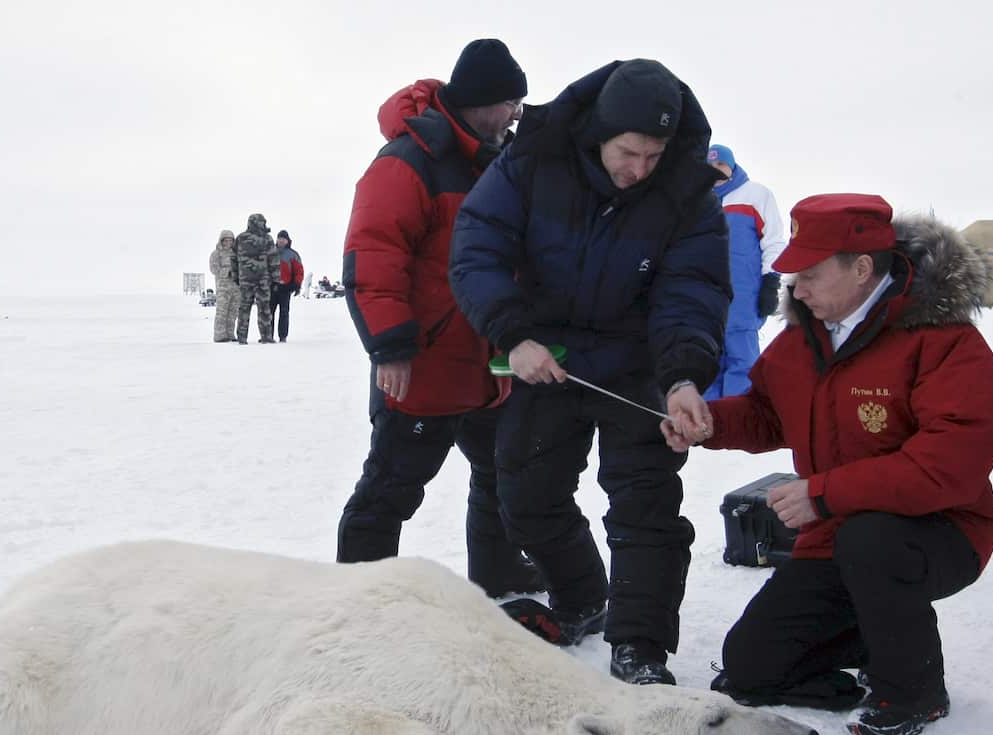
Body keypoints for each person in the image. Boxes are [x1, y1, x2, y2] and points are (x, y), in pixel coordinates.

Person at [662, 193, 993, 735]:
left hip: (941, 534)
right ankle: (873, 634)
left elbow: (949, 463)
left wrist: (824, 493)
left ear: (861, 269)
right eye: (792, 275)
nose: (796, 289)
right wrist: (709, 422)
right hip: (837, 532)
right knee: (750, 668)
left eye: (809, 274)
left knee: (872, 541)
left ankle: (913, 691)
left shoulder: (941, 340)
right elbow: (765, 413)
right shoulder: (802, 337)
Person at [449, 59, 731, 683]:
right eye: (630, 151)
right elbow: (477, 248)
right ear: (600, 133)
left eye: (654, 155)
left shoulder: (686, 190)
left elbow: (692, 292)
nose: (640, 169)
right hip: (551, 357)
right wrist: (513, 335)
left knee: (645, 509)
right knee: (523, 492)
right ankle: (581, 598)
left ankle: (640, 647)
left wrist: (683, 377)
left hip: (641, 362)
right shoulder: (533, 159)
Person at [337, 38, 542, 599]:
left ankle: (497, 572)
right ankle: (359, 595)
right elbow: (373, 257)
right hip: (423, 363)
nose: (518, 114)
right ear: (483, 101)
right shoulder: (408, 160)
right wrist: (390, 347)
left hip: (489, 363)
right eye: (511, 102)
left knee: (501, 476)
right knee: (392, 488)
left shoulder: (499, 161)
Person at [703, 143, 787, 399]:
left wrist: (771, 281)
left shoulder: (755, 195)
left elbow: (773, 241)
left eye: (721, 165)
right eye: (709, 166)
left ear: (731, 166)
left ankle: (741, 424)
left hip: (743, 299)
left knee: (743, 361)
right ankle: (709, 427)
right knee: (706, 361)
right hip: (705, 300)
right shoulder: (695, 201)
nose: (715, 171)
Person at [234, 213, 281, 344]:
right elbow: (274, 260)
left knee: (244, 308)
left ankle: (242, 337)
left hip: (246, 280)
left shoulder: (240, 238)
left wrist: (236, 277)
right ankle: (266, 337)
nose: (264, 224)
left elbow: (233, 259)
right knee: (264, 309)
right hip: (262, 280)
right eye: (262, 222)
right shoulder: (267, 239)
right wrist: (276, 279)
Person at [272, 230, 305, 342]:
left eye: (283, 238)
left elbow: (299, 271)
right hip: (271, 287)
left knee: (284, 312)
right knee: (268, 312)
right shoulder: (270, 252)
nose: (281, 240)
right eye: (279, 238)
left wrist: (296, 285)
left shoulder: (293, 254)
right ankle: (267, 336)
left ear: (287, 240)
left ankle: (283, 336)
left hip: (285, 288)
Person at [209, 229, 240, 341]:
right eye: (226, 240)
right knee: (222, 312)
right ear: (221, 240)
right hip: (223, 288)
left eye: (231, 240)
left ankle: (230, 334)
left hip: (236, 288)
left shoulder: (236, 254)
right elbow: (214, 269)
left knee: (233, 313)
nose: (228, 242)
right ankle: (219, 335)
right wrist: (228, 272)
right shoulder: (216, 254)